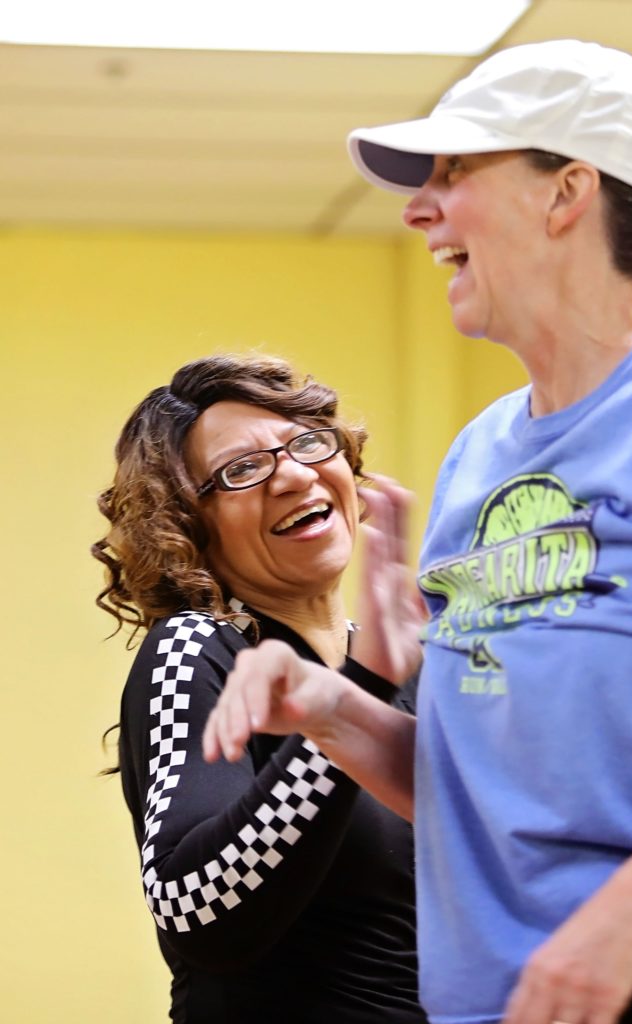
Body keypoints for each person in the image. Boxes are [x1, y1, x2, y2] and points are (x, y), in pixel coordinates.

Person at [203, 39, 632, 1024]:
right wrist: (329, 706)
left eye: (454, 173)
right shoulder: (476, 456)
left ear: (565, 193)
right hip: (524, 998)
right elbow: (482, 792)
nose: (417, 208)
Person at [93, 353, 427, 1024]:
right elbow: (192, 906)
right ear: (189, 525)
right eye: (241, 470)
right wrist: (354, 696)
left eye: (306, 442)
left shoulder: (411, 661)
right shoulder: (200, 649)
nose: (295, 475)